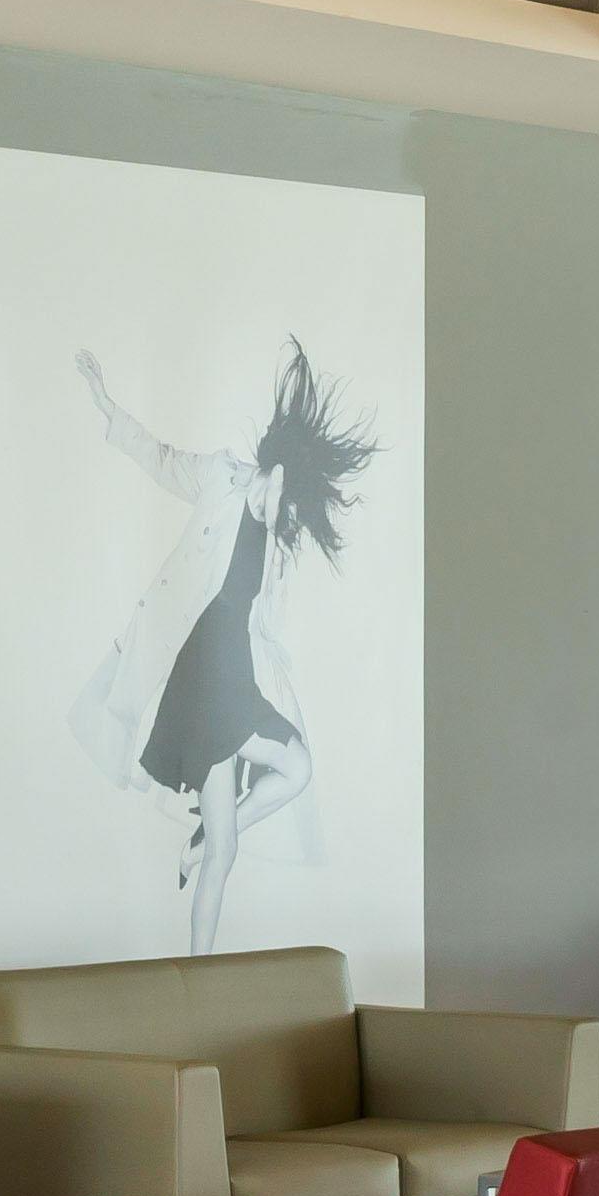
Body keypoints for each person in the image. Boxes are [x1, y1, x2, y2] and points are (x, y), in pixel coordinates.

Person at [75, 343, 373, 953]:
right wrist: (108, 406)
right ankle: (200, 963)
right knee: (231, 846)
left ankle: (202, 849)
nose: (289, 517)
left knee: (293, 774)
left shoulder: (275, 542)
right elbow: (161, 460)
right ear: (278, 477)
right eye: (290, 501)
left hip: (235, 680)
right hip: (203, 685)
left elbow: (264, 624)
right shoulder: (220, 479)